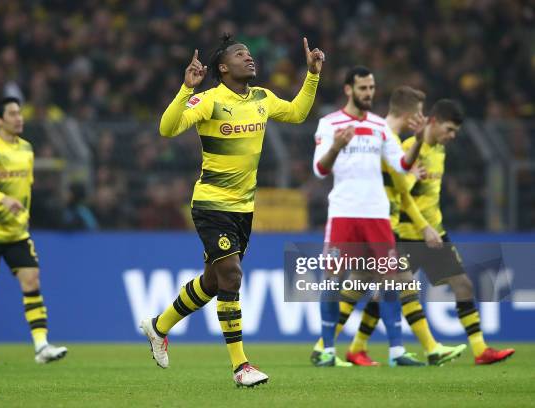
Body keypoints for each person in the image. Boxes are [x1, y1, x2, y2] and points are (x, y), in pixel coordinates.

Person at [140, 33, 325, 387]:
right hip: (211, 203)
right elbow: (166, 129)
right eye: (241, 54)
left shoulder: (262, 98)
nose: (249, 58)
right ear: (223, 68)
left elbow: (299, 113)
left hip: (244, 208)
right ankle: (241, 367)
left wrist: (312, 74)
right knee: (233, 277)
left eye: (250, 54)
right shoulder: (209, 100)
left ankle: (158, 326)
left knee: (213, 281)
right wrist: (185, 88)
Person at [310, 66, 425, 367]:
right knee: (333, 281)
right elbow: (319, 170)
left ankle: (397, 352)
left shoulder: (379, 126)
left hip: (376, 214)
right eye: (363, 88)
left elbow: (401, 164)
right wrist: (336, 146)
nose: (369, 93)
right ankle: (327, 351)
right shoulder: (329, 124)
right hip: (344, 213)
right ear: (349, 89)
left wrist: (420, 140)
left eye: (372, 88)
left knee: (389, 283)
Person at [344, 86, 466, 366]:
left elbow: (399, 189)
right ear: (411, 113)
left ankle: (341, 347)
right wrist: (410, 176)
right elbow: (397, 188)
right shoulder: (385, 138)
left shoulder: (392, 139)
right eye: (420, 112)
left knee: (369, 287)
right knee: (397, 286)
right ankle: (428, 349)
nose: (422, 117)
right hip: (377, 223)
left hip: (386, 224)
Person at [395, 99, 515, 365]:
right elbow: (400, 195)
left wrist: (431, 227)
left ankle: (480, 349)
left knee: (463, 285)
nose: (451, 137)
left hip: (434, 233)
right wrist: (422, 227)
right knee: (389, 292)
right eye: (449, 130)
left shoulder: (440, 151)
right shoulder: (408, 149)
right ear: (434, 121)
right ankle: (351, 346)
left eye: (455, 133)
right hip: (405, 234)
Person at [0, 97, 67, 365]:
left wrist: (23, 213)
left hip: (17, 233)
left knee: (32, 281)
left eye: (19, 113)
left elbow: (26, 188)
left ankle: (42, 346)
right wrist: (3, 200)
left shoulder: (27, 149)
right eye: (12, 114)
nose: (19, 117)